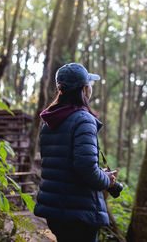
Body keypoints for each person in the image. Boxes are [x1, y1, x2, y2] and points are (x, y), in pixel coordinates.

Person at [34, 63, 117, 242]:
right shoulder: (84, 120)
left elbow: (62, 165)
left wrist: (99, 173)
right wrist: (107, 181)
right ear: (84, 89)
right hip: (79, 213)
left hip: (55, 210)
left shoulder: (48, 121)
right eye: (90, 85)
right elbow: (85, 168)